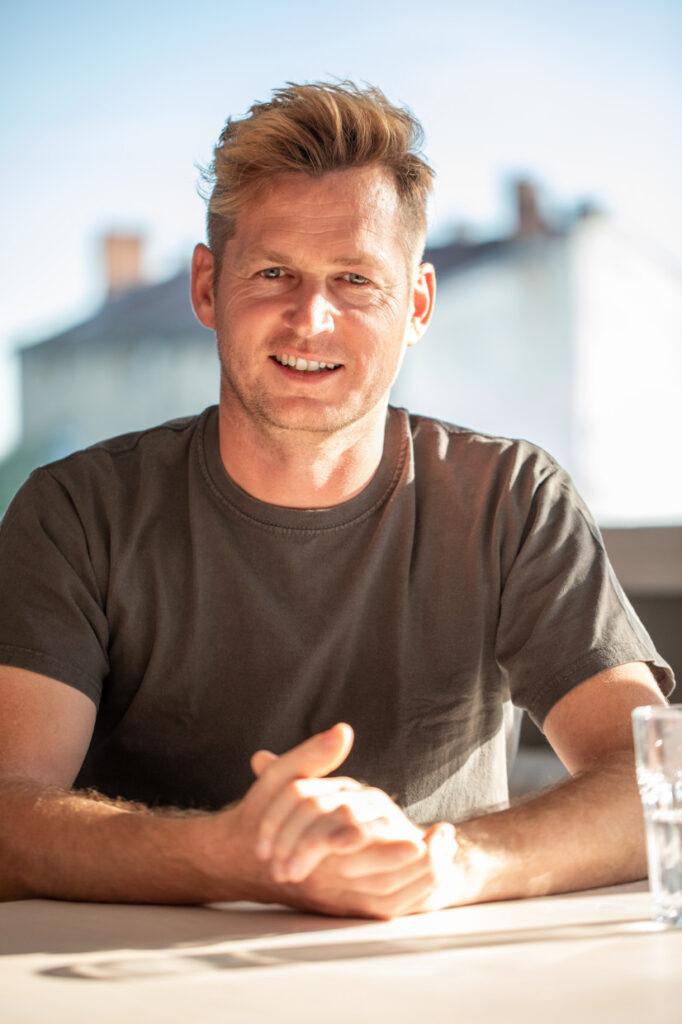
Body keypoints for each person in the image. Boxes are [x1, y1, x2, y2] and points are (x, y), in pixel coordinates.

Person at [0, 81, 673, 918]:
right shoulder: (75, 512)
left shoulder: (511, 500)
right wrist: (226, 858)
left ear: (417, 304)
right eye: (274, 272)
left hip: (441, 982)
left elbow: (660, 783)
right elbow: (7, 812)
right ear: (207, 287)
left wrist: (447, 863)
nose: (310, 318)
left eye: (356, 279)